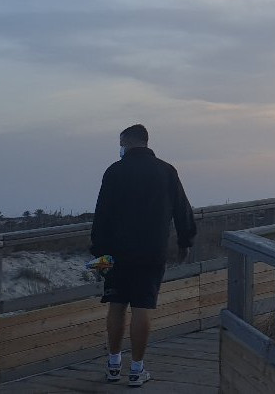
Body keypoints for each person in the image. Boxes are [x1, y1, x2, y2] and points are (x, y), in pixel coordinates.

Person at [90, 124, 197, 387]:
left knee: (116, 306)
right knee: (142, 307)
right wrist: (185, 241)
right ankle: (136, 370)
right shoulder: (166, 171)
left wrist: (99, 252)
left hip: (116, 253)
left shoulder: (115, 171)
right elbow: (182, 210)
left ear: (126, 142)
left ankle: (113, 365)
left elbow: (102, 213)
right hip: (152, 251)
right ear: (146, 143)